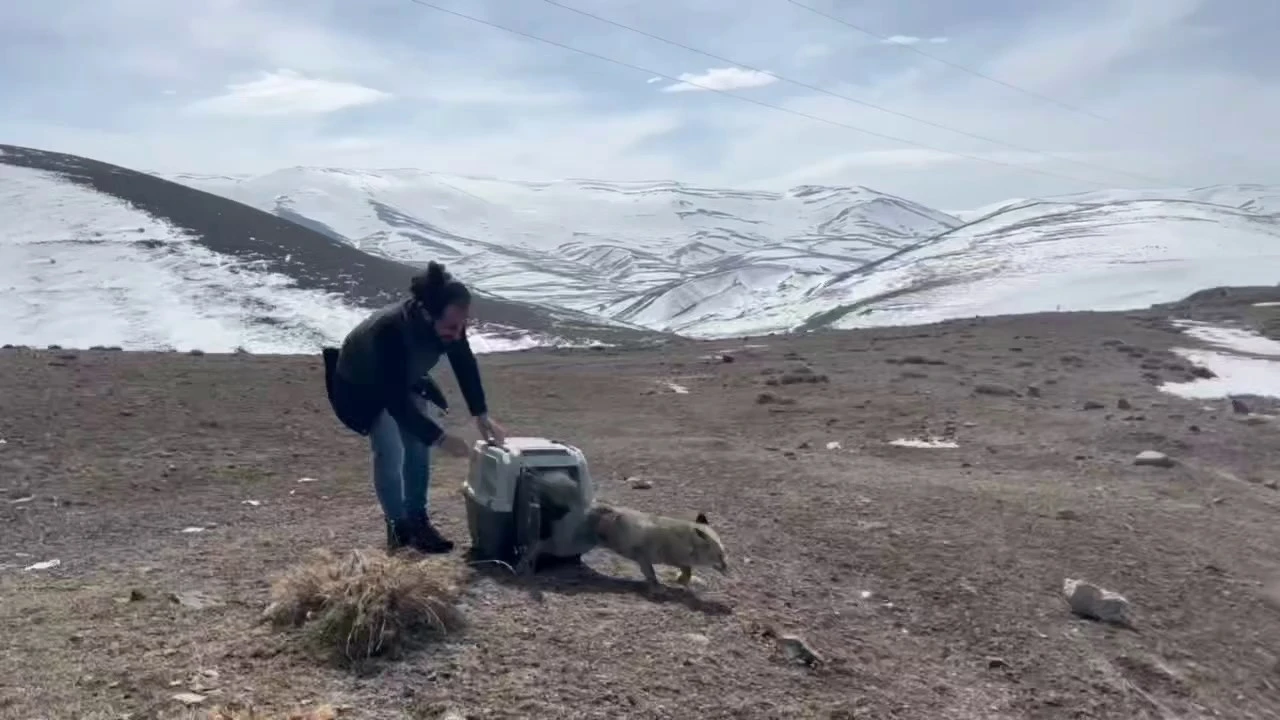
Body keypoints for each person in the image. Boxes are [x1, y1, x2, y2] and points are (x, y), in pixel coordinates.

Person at [321, 261, 505, 554]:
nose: (457, 334)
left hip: (405, 378)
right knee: (389, 448)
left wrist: (480, 414)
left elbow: (463, 362)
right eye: (450, 327)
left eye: (461, 327)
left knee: (418, 446)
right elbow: (395, 401)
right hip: (361, 385)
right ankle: (399, 528)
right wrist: (441, 438)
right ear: (426, 314)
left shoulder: (450, 325)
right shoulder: (389, 331)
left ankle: (418, 520)